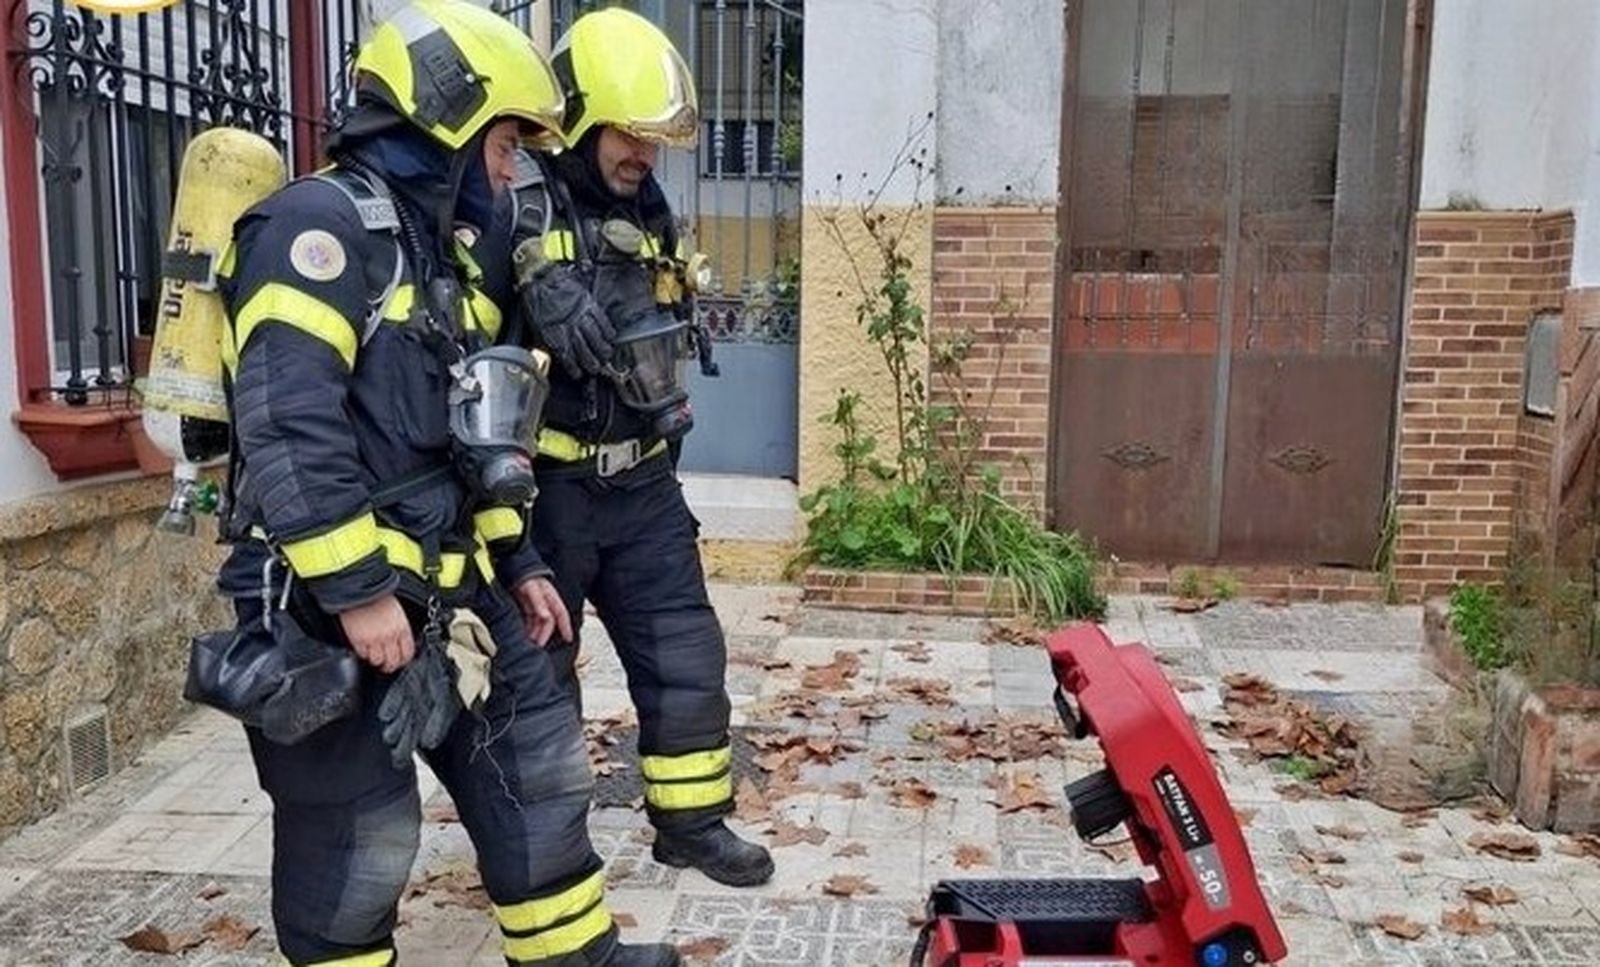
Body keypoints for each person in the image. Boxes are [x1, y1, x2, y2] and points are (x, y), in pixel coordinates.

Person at [211, 3, 681, 963]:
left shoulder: (448, 263)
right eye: (506, 143)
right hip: (332, 605)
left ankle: (573, 952)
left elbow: (482, 436)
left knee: (536, 766)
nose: (513, 169)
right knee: (358, 834)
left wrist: (524, 561)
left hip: (459, 588)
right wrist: (357, 593)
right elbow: (287, 429)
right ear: (448, 127)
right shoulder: (317, 228)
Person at [499, 7, 772, 888]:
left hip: (645, 485)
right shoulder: (514, 209)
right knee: (541, 685)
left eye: (655, 139)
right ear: (579, 119)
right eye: (629, 134)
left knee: (686, 655)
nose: (644, 155)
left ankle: (692, 823)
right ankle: (549, 850)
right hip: (552, 493)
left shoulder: (647, 209)